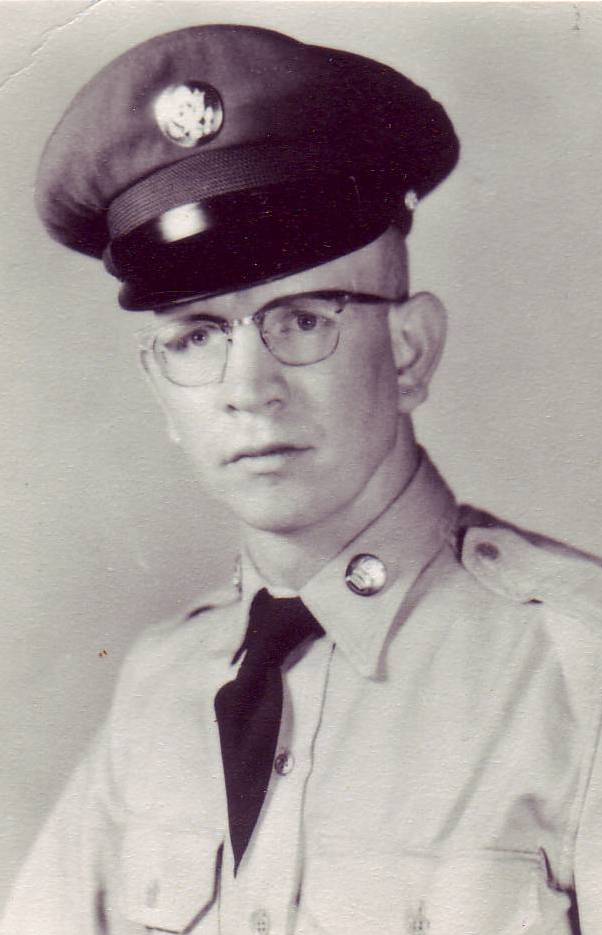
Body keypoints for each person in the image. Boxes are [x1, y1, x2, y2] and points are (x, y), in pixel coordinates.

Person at [3, 22, 602, 935]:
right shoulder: (159, 689)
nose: (249, 389)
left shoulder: (578, 673)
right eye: (197, 336)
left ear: (410, 350)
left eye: (305, 318)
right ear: (162, 389)